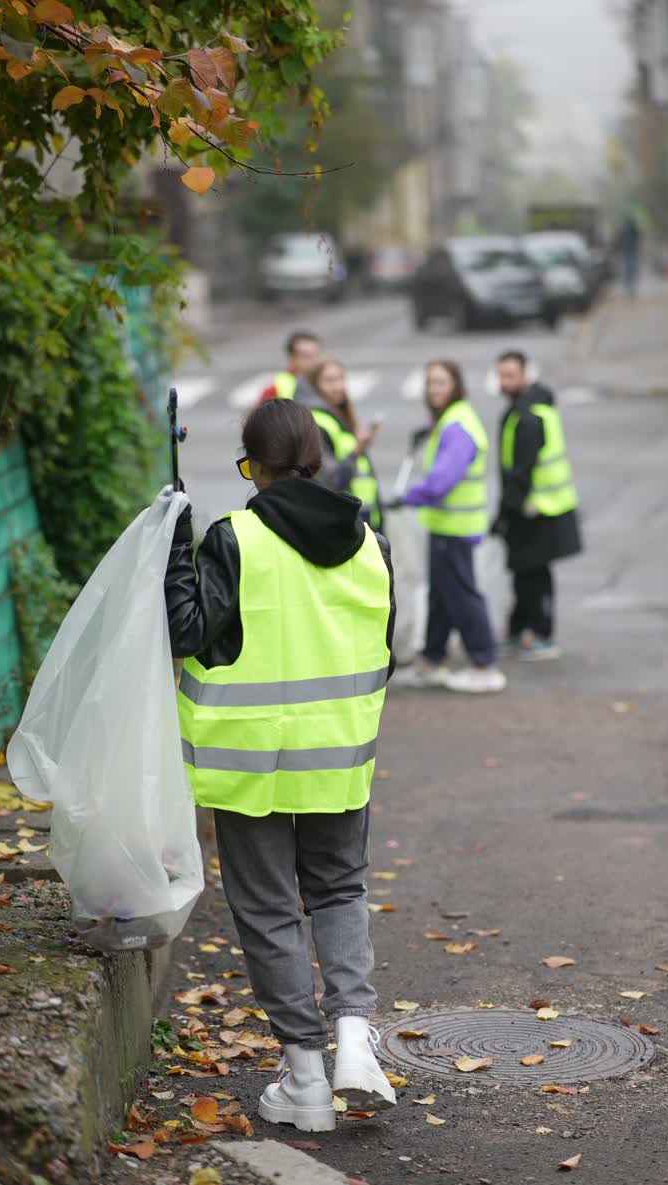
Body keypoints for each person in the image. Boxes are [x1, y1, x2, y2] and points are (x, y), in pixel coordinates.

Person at [164, 398, 397, 1133]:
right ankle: (356, 1042)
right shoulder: (371, 542)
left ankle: (305, 1077)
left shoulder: (237, 538)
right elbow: (389, 641)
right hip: (339, 756)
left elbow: (187, 631)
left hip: (250, 762)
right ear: (316, 460)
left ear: (255, 468)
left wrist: (177, 546)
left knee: (268, 911)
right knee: (338, 890)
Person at [393, 360, 506, 695]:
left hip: (455, 528)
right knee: (442, 596)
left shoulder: (457, 425)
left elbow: (442, 480)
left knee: (461, 595)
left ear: (456, 385)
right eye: (430, 383)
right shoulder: (448, 421)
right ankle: (432, 660)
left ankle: (484, 664)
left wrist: (407, 498)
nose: (434, 389)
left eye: (441, 383)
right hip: (446, 526)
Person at [492, 351, 582, 659]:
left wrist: (503, 515)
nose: (505, 381)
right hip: (533, 509)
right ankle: (520, 630)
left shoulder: (529, 417)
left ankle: (542, 635)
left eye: (511, 375)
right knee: (522, 572)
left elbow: (521, 475)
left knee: (534, 575)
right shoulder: (525, 410)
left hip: (539, 510)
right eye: (501, 375)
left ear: (525, 375)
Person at [297, 356, 384, 532]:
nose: (338, 386)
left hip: (361, 517)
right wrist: (357, 450)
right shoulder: (318, 422)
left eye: (341, 379)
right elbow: (329, 479)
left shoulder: (340, 416)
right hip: (345, 522)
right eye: (329, 380)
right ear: (314, 385)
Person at [257, 331, 321, 402]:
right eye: (306, 356)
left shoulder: (328, 381)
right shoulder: (276, 387)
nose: (313, 360)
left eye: (316, 355)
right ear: (292, 358)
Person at [615, 212, 642, 298]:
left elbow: (619, 240)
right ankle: (630, 289)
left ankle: (628, 288)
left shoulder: (624, 229)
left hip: (627, 252)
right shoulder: (633, 228)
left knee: (628, 271)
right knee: (631, 271)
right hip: (631, 252)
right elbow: (638, 239)